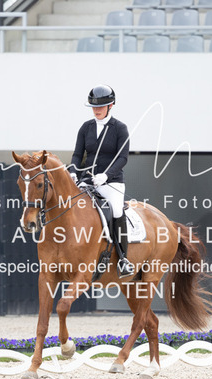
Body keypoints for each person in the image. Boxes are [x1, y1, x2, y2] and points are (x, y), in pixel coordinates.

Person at [69, 84, 134, 278]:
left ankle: (123, 258)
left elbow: (123, 158)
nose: (96, 110)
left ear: (110, 105)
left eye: (100, 107)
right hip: (88, 180)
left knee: (116, 210)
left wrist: (106, 175)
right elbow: (77, 154)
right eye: (93, 107)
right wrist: (73, 171)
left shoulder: (120, 128)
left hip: (112, 182)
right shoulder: (85, 128)